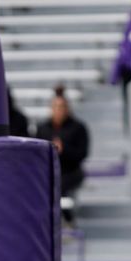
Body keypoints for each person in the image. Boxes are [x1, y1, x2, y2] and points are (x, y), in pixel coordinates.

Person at [35, 85, 89, 225]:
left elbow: (82, 154)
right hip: (48, 171)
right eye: (56, 106)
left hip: (71, 172)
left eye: (63, 106)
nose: (59, 110)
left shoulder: (78, 128)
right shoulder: (42, 128)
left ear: (68, 108)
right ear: (51, 108)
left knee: (59, 185)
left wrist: (64, 150)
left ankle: (67, 219)